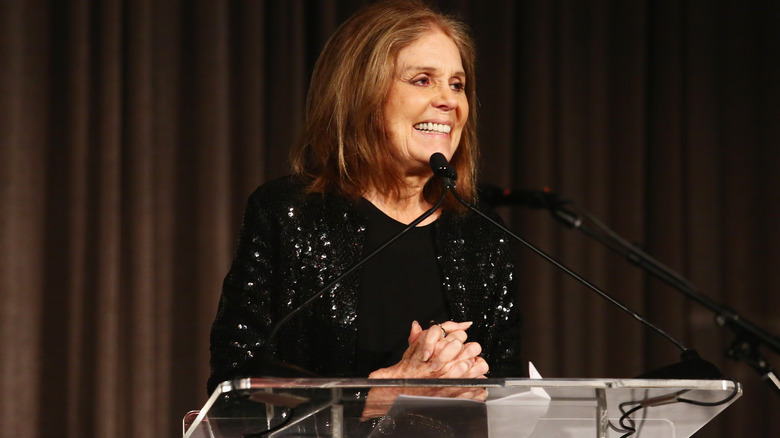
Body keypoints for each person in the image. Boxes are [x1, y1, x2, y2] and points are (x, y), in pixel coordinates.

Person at [207, 0, 522, 401]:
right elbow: (236, 377)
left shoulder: (482, 234)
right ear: (364, 94)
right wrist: (381, 394)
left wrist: (473, 387)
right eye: (423, 80)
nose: (449, 101)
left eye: (457, 84)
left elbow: (510, 390)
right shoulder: (290, 212)